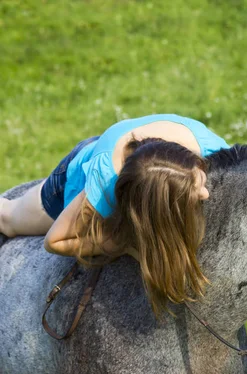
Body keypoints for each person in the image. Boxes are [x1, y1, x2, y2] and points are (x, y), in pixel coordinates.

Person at [0, 114, 229, 315]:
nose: (206, 193)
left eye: (200, 180)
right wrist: (122, 242)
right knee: (9, 219)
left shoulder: (213, 149)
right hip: (82, 166)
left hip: (138, 162)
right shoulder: (102, 184)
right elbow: (55, 241)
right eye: (195, 190)